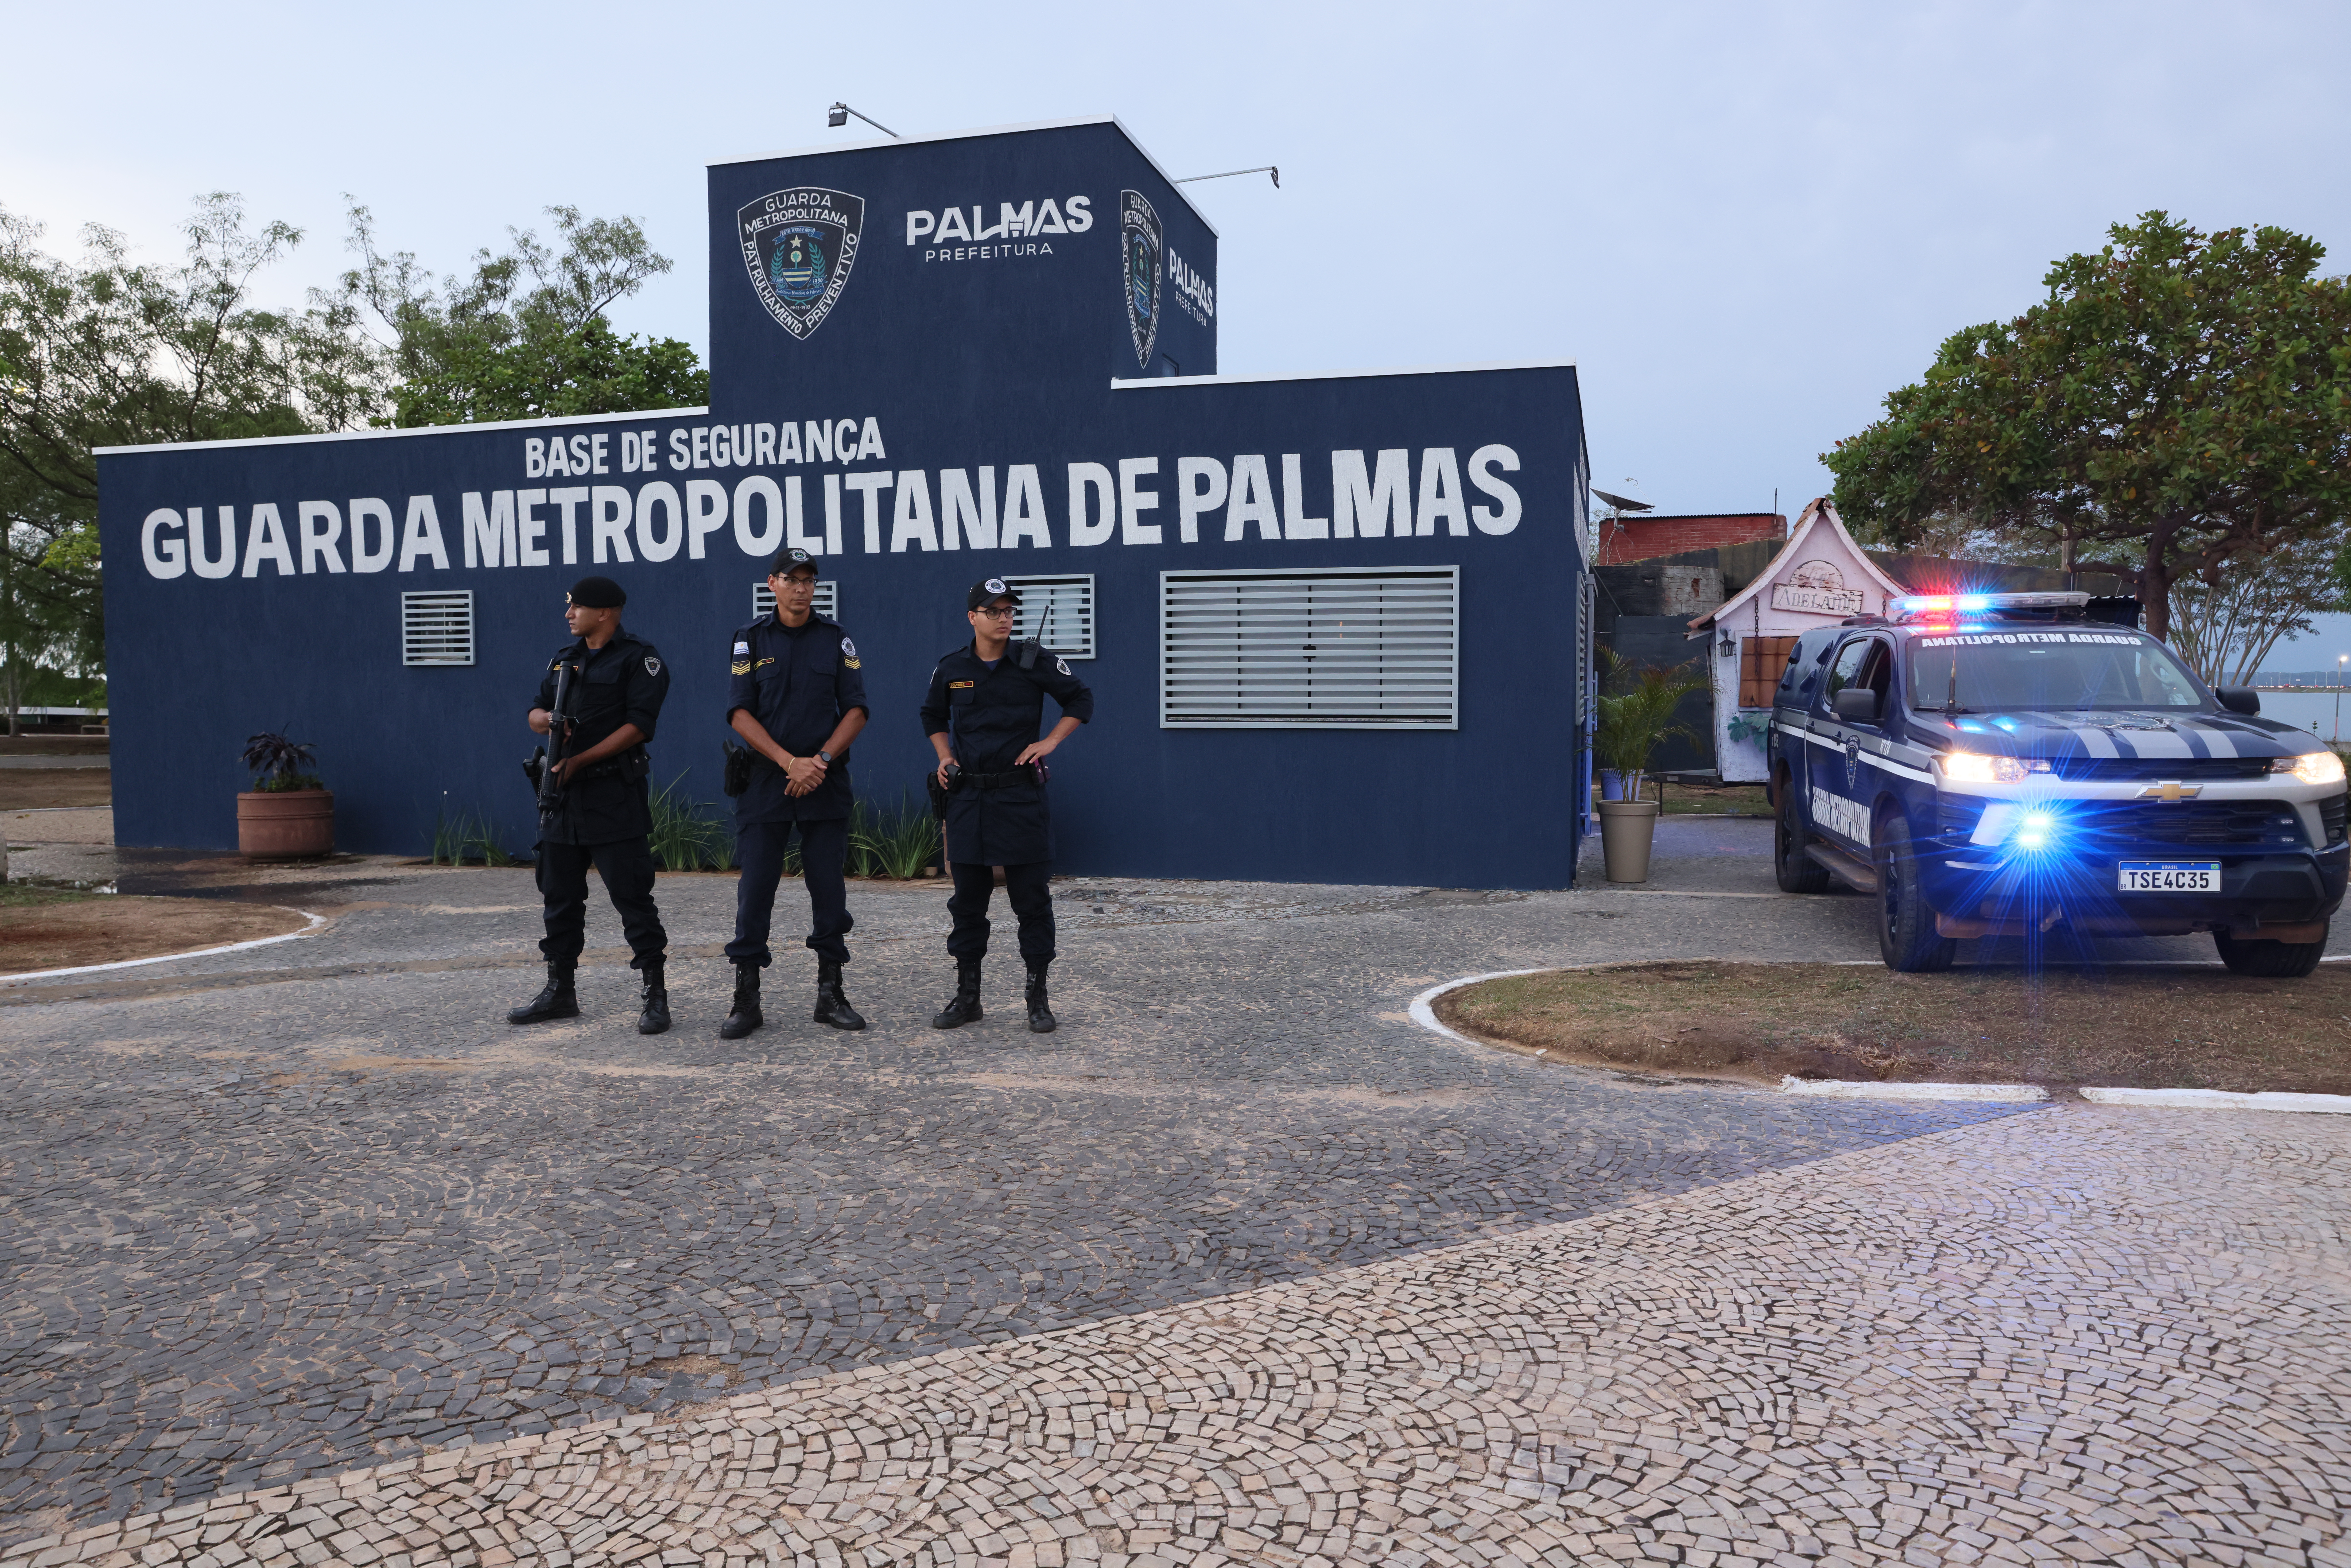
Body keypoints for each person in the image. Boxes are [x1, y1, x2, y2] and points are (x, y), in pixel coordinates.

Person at [919, 576, 1093, 1032]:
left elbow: (1080, 698)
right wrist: (944, 756)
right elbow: (931, 715)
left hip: (1020, 797)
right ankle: (968, 998)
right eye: (993, 611)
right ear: (972, 617)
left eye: (1009, 611)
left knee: (1032, 903)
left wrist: (1051, 741)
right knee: (968, 904)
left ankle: (1038, 999)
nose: (1004, 619)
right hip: (968, 799)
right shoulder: (952, 668)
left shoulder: (1034, 662)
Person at [509, 575, 673, 1033]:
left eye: (576, 607)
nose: (568, 614)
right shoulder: (565, 661)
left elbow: (639, 726)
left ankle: (655, 995)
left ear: (605, 613)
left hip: (611, 796)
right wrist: (546, 722)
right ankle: (560, 992)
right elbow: (535, 711)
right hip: (562, 798)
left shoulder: (641, 660)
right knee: (559, 897)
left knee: (632, 897)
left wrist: (581, 759)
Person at [720, 547, 872, 1039]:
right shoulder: (749, 640)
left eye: (809, 580)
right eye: (793, 579)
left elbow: (856, 710)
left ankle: (831, 993)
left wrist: (820, 762)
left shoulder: (837, 639)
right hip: (768, 782)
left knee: (829, 891)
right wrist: (789, 762)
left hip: (824, 782)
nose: (803, 587)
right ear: (773, 584)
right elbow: (740, 714)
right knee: (756, 891)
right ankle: (747, 999)